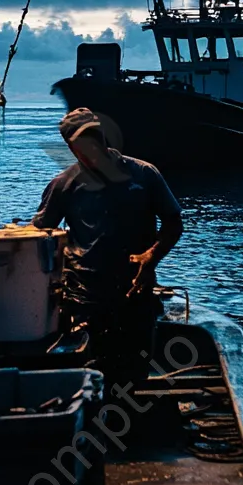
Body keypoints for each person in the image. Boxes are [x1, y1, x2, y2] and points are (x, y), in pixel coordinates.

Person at [32, 107, 183, 390]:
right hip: (86, 302)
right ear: (71, 148)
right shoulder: (63, 185)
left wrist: (151, 257)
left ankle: (130, 423)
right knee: (93, 378)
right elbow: (40, 234)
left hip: (135, 296)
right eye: (80, 144)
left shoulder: (145, 175)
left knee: (134, 377)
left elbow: (174, 222)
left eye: (94, 138)